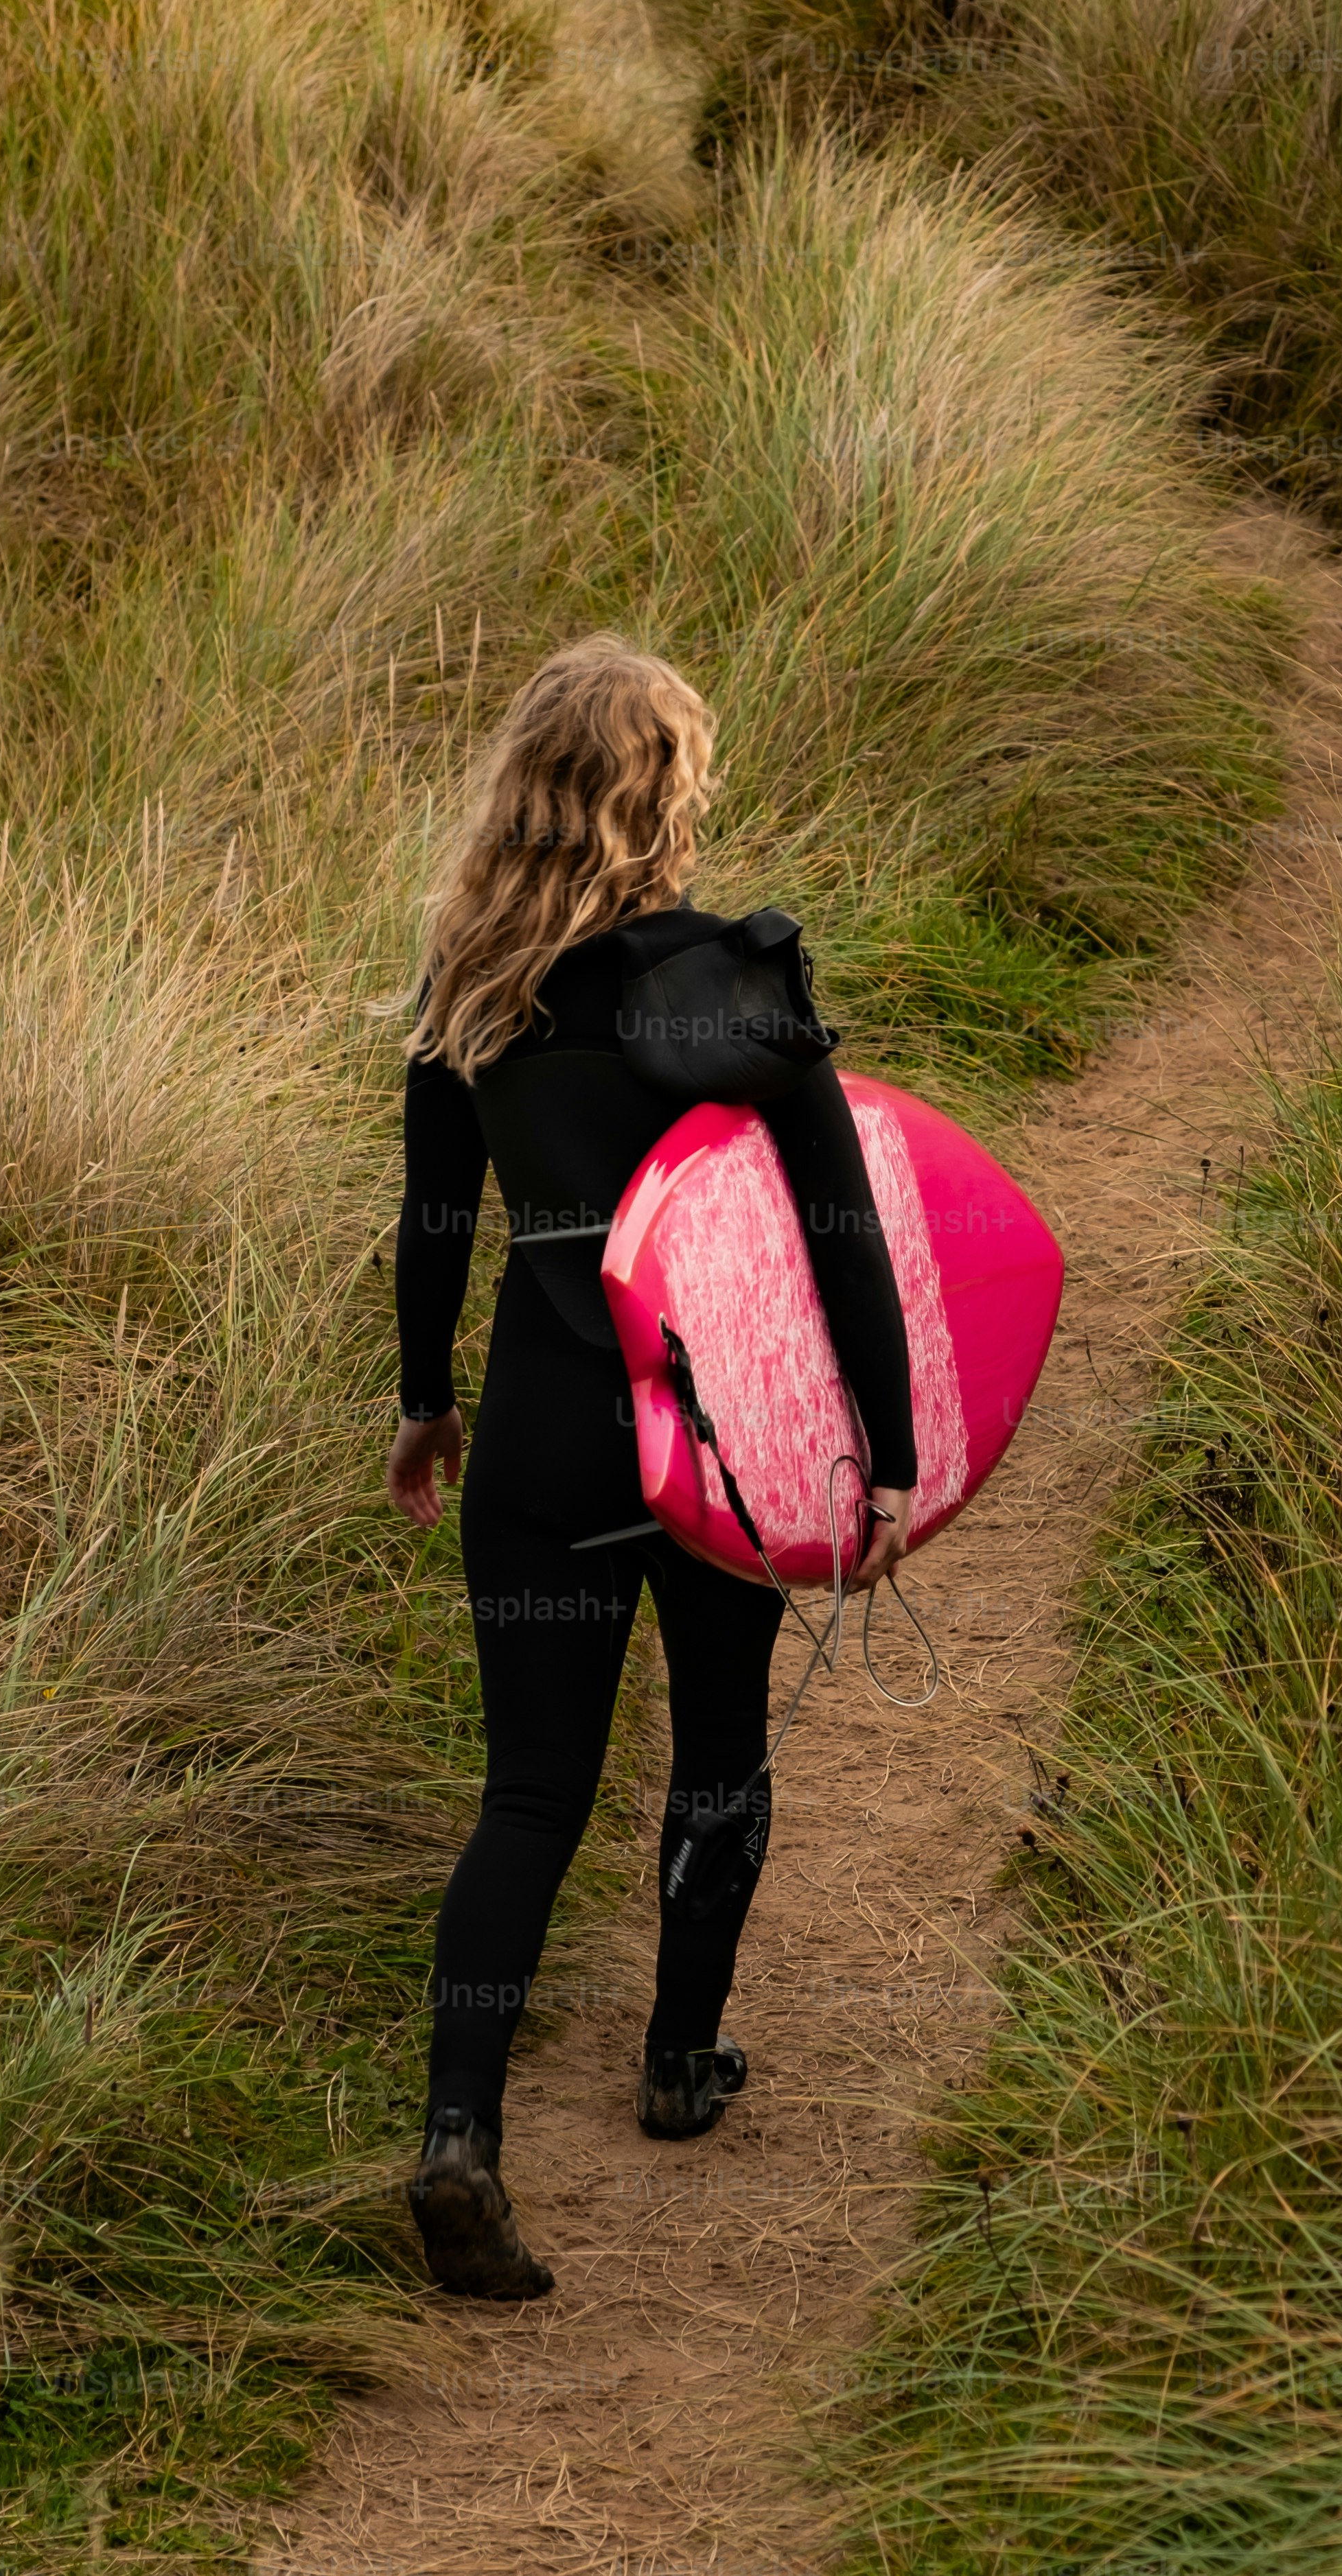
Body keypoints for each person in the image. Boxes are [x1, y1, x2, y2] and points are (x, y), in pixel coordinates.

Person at [381, 633, 916, 2302]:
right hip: (713, 1437)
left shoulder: (468, 988)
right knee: (720, 1742)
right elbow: (842, 1243)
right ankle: (681, 2061)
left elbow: (431, 1228)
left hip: (542, 1432)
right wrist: (886, 1457)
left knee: (530, 1793)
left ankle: (458, 2138)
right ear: (663, 795)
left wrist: (424, 1402)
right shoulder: (732, 983)